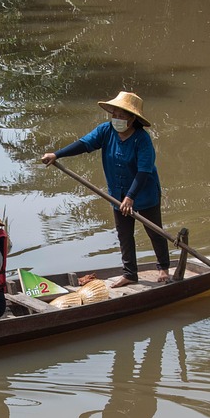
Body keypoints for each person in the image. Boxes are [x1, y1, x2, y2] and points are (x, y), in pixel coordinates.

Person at [41, 90, 172, 288]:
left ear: (133, 118)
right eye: (115, 114)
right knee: (124, 234)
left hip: (143, 193)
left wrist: (131, 196)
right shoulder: (106, 131)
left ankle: (163, 267)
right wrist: (57, 155)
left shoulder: (142, 139)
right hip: (117, 194)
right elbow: (84, 144)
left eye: (122, 115)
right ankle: (130, 274)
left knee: (154, 231)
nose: (117, 119)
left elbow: (144, 171)